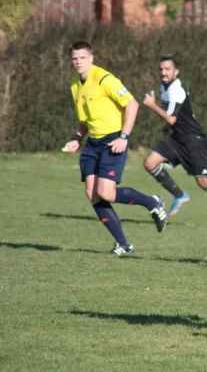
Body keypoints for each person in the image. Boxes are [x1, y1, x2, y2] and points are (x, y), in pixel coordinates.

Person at [63, 41, 167, 256]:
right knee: (93, 194)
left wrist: (123, 137)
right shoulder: (75, 84)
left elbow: (132, 104)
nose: (78, 62)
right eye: (75, 58)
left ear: (91, 58)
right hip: (92, 143)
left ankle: (152, 202)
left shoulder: (104, 79)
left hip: (113, 140)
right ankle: (123, 244)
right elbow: (86, 119)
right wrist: (76, 138)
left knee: (106, 193)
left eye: (82, 58)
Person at [142, 56, 207, 227]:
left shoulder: (176, 89)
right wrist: (167, 128)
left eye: (167, 69)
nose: (163, 72)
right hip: (177, 138)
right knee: (150, 162)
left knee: (203, 182)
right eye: (161, 69)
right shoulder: (164, 86)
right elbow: (174, 117)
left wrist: (152, 106)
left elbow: (172, 118)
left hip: (193, 139)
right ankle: (179, 195)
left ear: (176, 72)